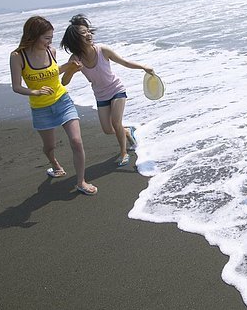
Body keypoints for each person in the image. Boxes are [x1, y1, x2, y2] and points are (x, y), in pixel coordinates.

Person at [9, 16, 97, 195]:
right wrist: (35, 92)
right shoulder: (18, 57)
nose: (50, 42)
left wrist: (70, 66)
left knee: (76, 141)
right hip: (41, 108)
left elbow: (53, 72)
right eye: (46, 38)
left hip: (62, 101)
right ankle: (54, 164)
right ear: (33, 36)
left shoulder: (51, 51)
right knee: (49, 147)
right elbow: (16, 87)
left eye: (51, 38)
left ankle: (81, 181)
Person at [60, 14, 154, 167]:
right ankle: (128, 132)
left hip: (116, 89)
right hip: (100, 95)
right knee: (108, 129)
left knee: (116, 122)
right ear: (75, 39)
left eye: (88, 31)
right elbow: (64, 81)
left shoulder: (102, 50)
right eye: (83, 33)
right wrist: (72, 70)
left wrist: (143, 67)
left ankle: (124, 153)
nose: (88, 34)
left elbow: (125, 62)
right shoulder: (75, 58)